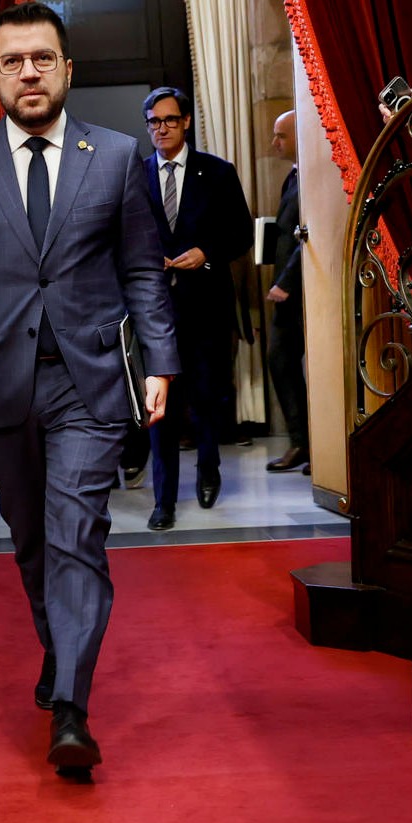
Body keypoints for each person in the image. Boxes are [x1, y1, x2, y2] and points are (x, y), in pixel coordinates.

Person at [0, 2, 177, 777]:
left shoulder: (120, 156)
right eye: (14, 60)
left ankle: (71, 711)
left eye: (44, 58)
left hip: (89, 382)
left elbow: (141, 269)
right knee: (32, 543)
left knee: (75, 535)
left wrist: (160, 361)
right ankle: (62, 652)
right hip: (0, 382)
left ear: (67, 69)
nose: (30, 71)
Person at [139, 86, 253, 530]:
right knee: (160, 404)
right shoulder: (137, 175)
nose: (160, 128)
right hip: (157, 308)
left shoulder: (217, 173)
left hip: (206, 303)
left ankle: (209, 470)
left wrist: (206, 252)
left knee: (207, 396)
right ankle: (163, 498)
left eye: (168, 120)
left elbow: (240, 233)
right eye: (153, 122)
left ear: (186, 122)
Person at [265, 110, 310, 474]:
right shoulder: (294, 174)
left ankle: (308, 444)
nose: (274, 143)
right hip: (287, 288)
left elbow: (309, 235)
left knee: (284, 359)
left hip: (302, 290)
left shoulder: (311, 174)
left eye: (281, 135)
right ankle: (301, 441)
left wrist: (286, 282)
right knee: (279, 361)